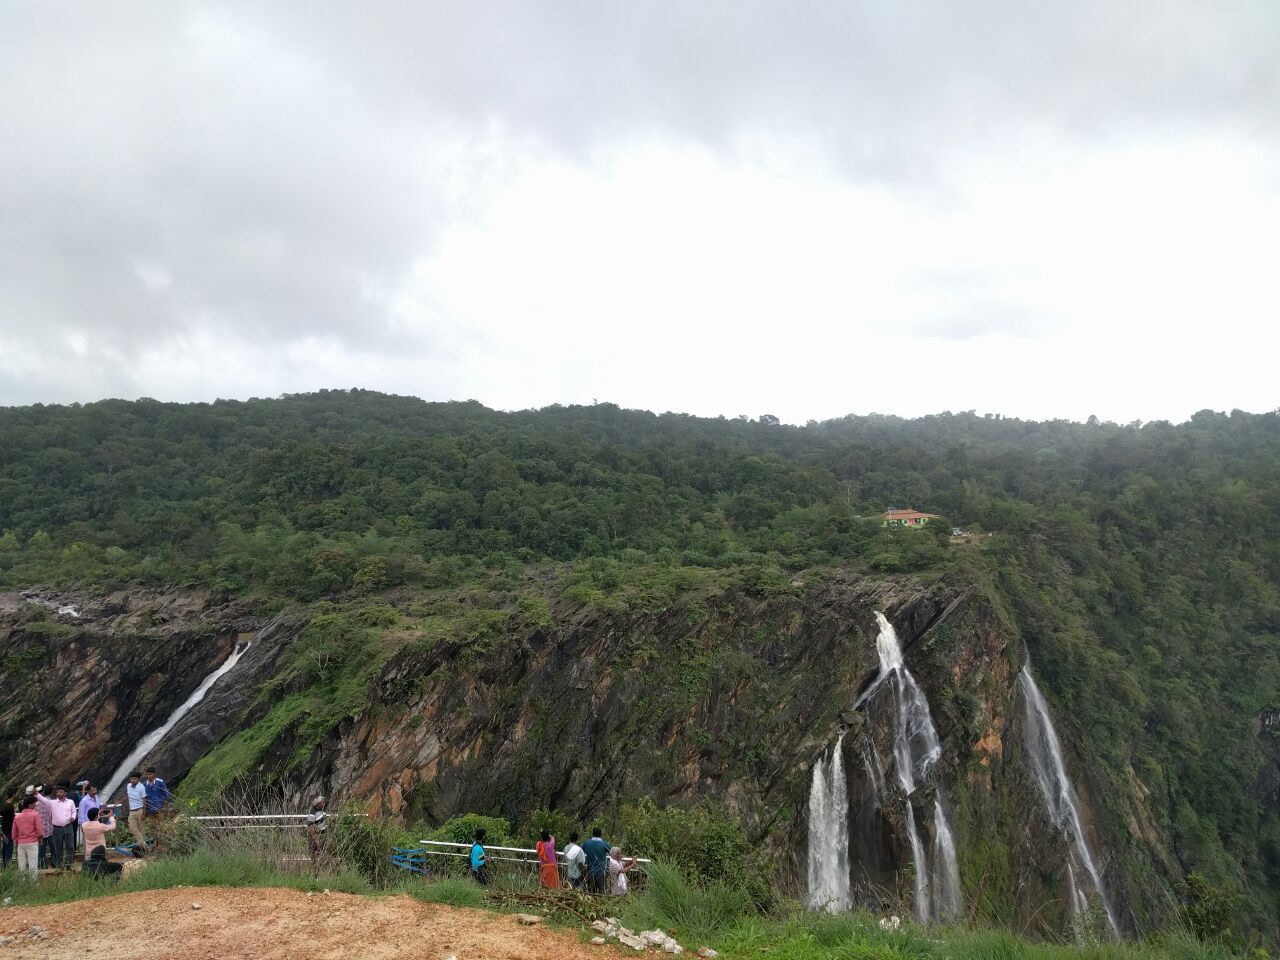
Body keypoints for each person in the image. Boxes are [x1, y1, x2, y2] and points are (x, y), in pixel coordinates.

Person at [34, 784, 77, 869]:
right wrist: (36, 793)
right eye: (57, 792)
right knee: (58, 848)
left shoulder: (70, 802)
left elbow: (74, 812)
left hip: (68, 827)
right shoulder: (52, 803)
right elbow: (42, 800)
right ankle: (59, 865)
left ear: (65, 793)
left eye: (60, 792)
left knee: (70, 846)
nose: (58, 793)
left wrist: (73, 817)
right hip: (57, 829)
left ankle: (68, 864)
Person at [12, 796, 42, 878]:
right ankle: (33, 883)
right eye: (34, 803)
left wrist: (16, 840)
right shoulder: (35, 814)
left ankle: (22, 883)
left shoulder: (17, 816)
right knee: (33, 864)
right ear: (30, 805)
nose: (35, 805)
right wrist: (40, 838)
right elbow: (39, 829)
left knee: (21, 864)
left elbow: (14, 832)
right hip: (32, 842)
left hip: (21, 843)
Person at [582, 827, 611, 895]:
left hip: (590, 871)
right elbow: (613, 852)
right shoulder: (604, 844)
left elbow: (581, 852)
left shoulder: (587, 843)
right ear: (601, 834)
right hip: (601, 872)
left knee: (591, 892)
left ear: (592, 834)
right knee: (602, 892)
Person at [125, 772, 148, 851]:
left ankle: (141, 847)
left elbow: (145, 801)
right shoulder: (128, 786)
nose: (132, 780)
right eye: (131, 779)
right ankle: (144, 845)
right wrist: (120, 801)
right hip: (132, 811)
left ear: (138, 779)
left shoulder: (141, 787)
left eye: (134, 779)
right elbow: (128, 796)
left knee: (142, 829)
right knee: (132, 828)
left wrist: (144, 813)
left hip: (140, 810)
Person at [305, 796, 327, 865]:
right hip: (316, 835)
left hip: (322, 834)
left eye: (324, 802)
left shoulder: (321, 811)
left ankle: (322, 865)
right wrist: (315, 838)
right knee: (314, 853)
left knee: (322, 852)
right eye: (322, 803)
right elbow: (310, 826)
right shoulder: (312, 813)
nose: (324, 804)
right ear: (318, 803)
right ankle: (314, 866)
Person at [1, 792, 15, 870]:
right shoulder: (10, 806)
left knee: (5, 847)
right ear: (14, 794)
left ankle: (5, 864)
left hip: (3, 829)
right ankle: (8, 866)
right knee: (9, 847)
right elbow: (11, 820)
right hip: (9, 829)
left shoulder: (4, 804)